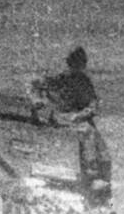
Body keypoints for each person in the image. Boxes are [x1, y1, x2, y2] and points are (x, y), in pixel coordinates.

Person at [29, 46, 112, 204]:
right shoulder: (61, 79)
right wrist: (39, 102)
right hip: (62, 117)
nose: (78, 67)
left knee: (102, 151)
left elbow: (93, 105)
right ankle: (92, 176)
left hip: (74, 117)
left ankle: (101, 187)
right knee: (87, 133)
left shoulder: (82, 81)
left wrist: (80, 115)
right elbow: (36, 86)